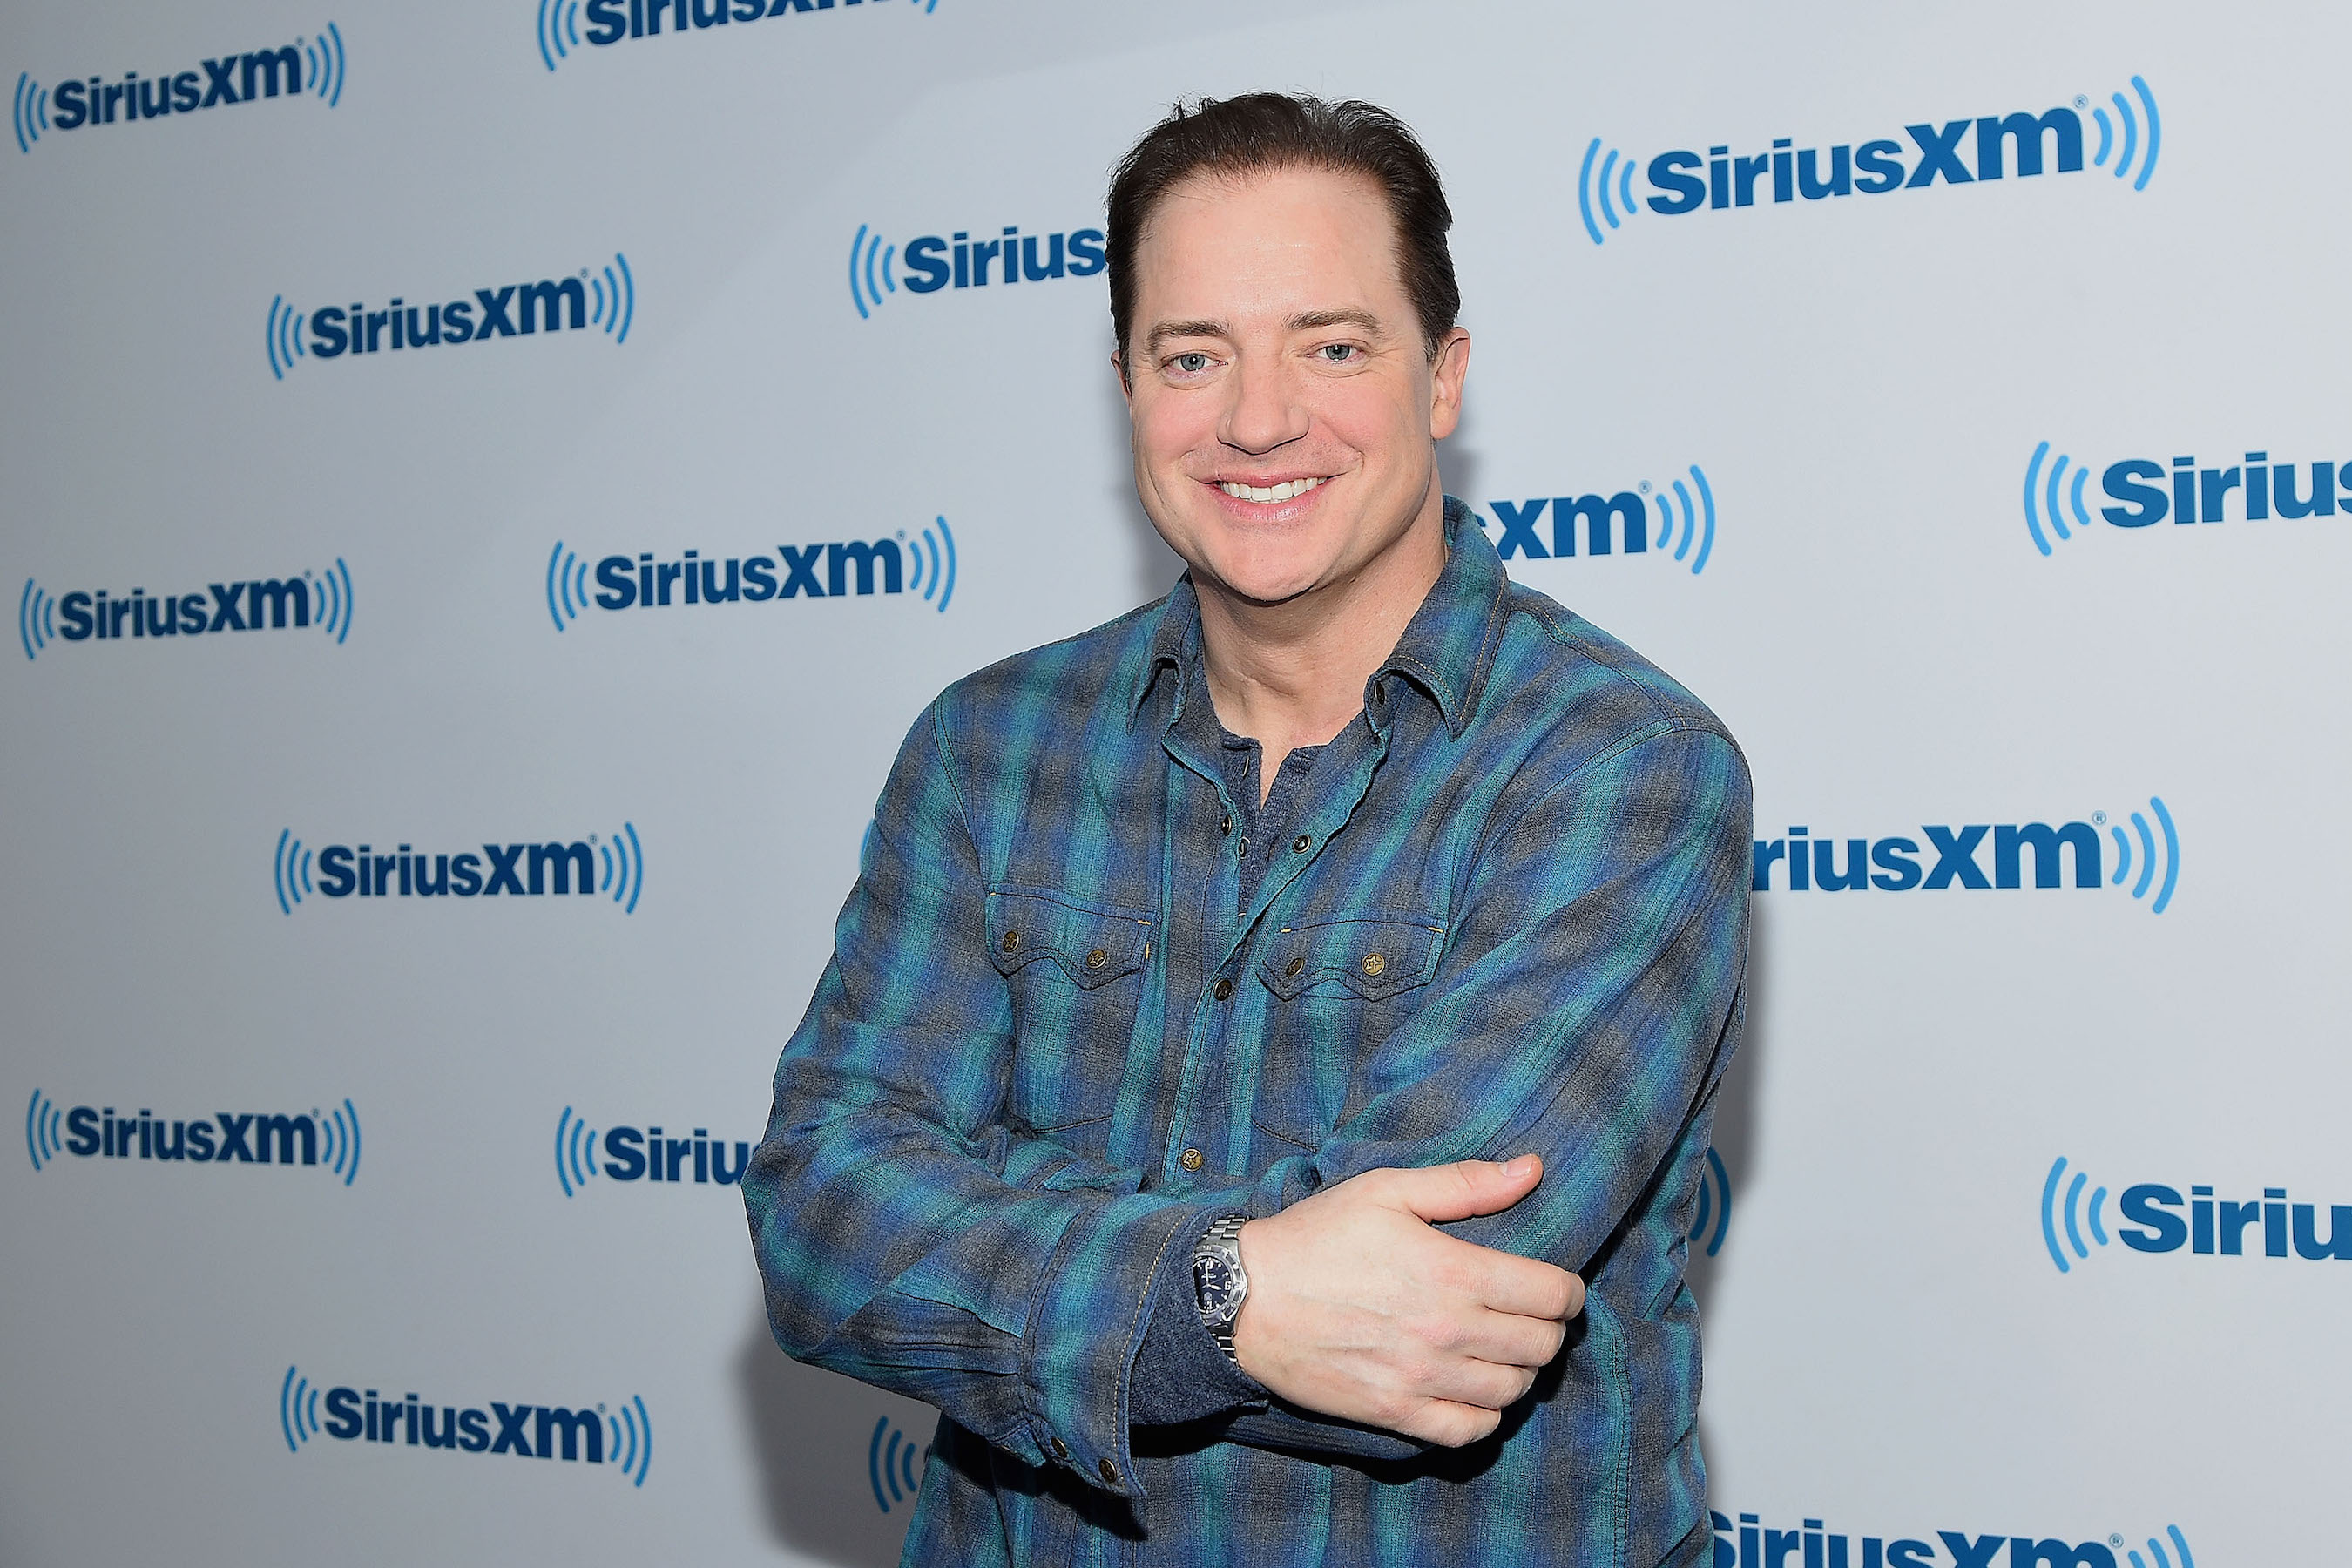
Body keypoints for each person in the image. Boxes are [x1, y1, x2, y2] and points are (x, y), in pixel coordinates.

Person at [743, 92, 1751, 1567]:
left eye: (1332, 346)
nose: (1259, 418)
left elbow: (1429, 1316)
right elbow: (822, 1220)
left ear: (1443, 377)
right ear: (1127, 387)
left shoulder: (1622, 768)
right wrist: (1230, 1287)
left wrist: (988, 1217)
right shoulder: (987, 749)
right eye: (1191, 356)